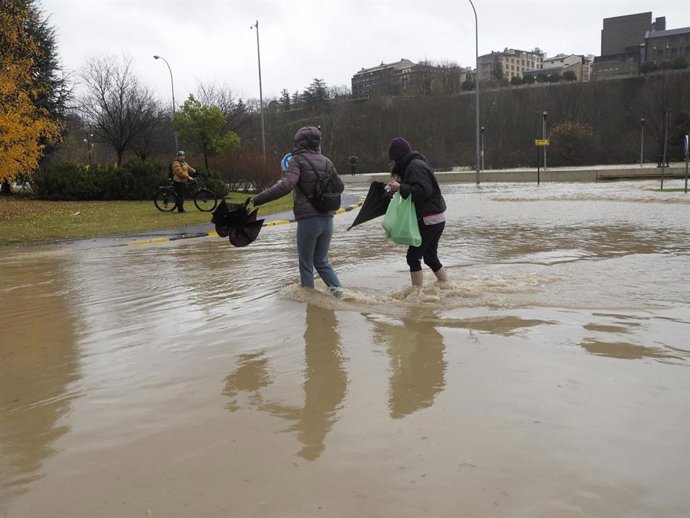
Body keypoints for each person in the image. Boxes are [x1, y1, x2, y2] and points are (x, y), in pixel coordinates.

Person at [251, 126, 342, 294]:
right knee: (321, 261)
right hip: (328, 218)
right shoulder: (328, 161)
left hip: (309, 219)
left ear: (298, 142)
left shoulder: (297, 160)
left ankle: (310, 303)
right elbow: (340, 186)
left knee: (306, 262)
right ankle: (340, 294)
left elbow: (286, 185)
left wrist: (258, 199)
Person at [386, 137, 449, 287]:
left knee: (413, 258)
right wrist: (399, 186)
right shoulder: (416, 164)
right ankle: (446, 285)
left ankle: (417, 295)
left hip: (429, 218)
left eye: (393, 160)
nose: (392, 164)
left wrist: (400, 188)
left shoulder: (414, 166)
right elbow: (418, 185)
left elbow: (423, 190)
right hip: (436, 217)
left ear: (398, 157)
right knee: (430, 257)